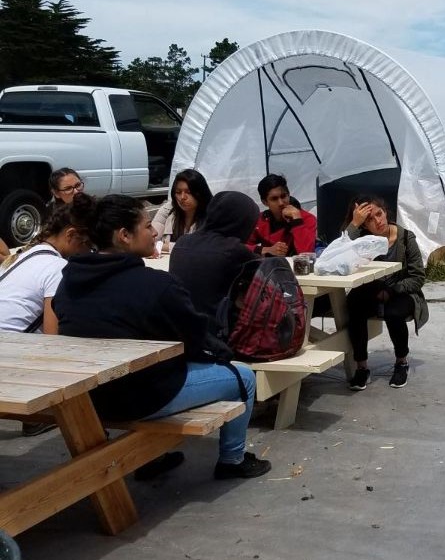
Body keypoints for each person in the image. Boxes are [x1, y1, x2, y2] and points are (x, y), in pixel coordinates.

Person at [53, 195, 271, 480]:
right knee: (243, 376)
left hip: (87, 396)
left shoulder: (69, 281)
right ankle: (233, 460)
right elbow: (195, 337)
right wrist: (222, 353)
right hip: (141, 398)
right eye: (147, 226)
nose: (155, 232)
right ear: (124, 235)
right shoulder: (154, 285)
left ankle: (152, 458)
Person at [0, 194, 95, 437]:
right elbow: (51, 341)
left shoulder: (24, 256)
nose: (87, 251)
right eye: (86, 244)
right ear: (71, 235)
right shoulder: (57, 269)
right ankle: (38, 416)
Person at [342, 194, 428, 390]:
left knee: (393, 312)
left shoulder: (406, 238)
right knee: (354, 305)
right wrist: (354, 224)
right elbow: (341, 252)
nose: (377, 221)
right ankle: (361, 366)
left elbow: (417, 277)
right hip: (370, 291)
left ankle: (401, 361)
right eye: (369, 220)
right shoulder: (364, 240)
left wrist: (394, 289)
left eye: (379, 214)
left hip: (400, 292)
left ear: (386, 212)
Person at [169, 191, 259, 323]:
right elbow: (265, 276)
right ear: (242, 222)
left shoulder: (183, 241)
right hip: (214, 333)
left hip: (180, 326)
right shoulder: (233, 250)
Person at [245, 173, 316, 257]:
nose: (281, 203)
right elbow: (240, 246)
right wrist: (266, 249)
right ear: (265, 202)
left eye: (283, 196)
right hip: (269, 267)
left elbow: (307, 253)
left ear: (289, 195)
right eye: (274, 199)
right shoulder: (260, 220)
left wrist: (297, 221)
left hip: (296, 267)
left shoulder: (306, 218)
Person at [151, 168, 213, 249]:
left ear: (200, 193)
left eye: (188, 192)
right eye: (178, 192)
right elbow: (150, 241)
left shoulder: (212, 213)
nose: (182, 197)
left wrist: (164, 246)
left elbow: (203, 246)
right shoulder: (168, 209)